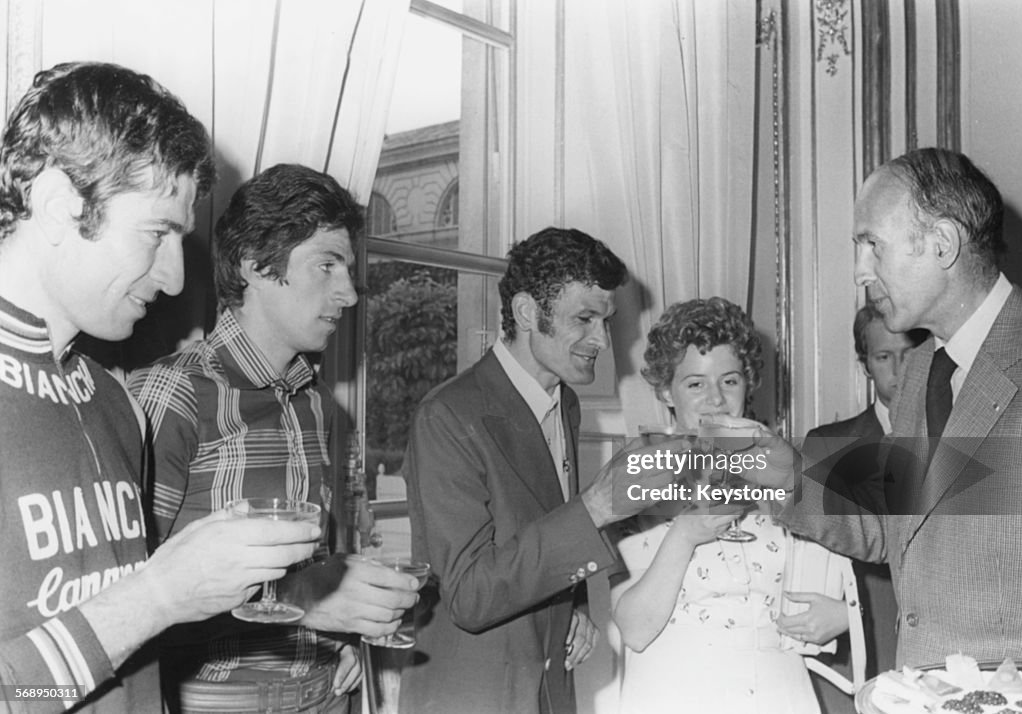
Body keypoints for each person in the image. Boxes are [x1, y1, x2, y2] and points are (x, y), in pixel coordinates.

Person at [0, 62, 319, 712]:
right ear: (60, 202)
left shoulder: (112, 399)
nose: (175, 279)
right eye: (156, 233)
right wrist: (159, 593)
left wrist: (209, 583)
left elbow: (126, 653)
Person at [127, 164, 420, 712]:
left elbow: (314, 572)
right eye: (326, 265)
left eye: (348, 270)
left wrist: (343, 630)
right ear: (255, 264)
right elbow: (127, 609)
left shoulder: (314, 403)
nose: (350, 294)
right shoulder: (173, 394)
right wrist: (305, 604)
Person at [720, 147, 1022, 669]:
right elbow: (893, 528)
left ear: (943, 244)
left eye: (872, 246)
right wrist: (784, 477)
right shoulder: (920, 373)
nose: (860, 272)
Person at [400, 227, 677, 714]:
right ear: (528, 312)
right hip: (474, 693)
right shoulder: (446, 416)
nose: (602, 341)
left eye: (606, 321)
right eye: (585, 319)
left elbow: (538, 535)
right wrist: (596, 506)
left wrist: (576, 610)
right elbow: (469, 595)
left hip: (547, 688)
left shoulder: (562, 402)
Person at [612, 297, 858, 714]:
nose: (716, 400)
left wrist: (845, 615)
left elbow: (843, 574)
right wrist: (684, 536)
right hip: (677, 693)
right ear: (664, 390)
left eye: (729, 381)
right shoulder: (638, 475)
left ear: (749, 383)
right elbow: (634, 629)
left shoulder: (784, 469)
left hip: (779, 693)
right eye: (695, 384)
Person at [802, 305, 924, 712]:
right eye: (883, 357)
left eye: (909, 354)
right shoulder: (828, 445)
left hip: (929, 656)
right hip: (854, 658)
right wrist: (852, 614)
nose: (898, 370)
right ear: (864, 366)